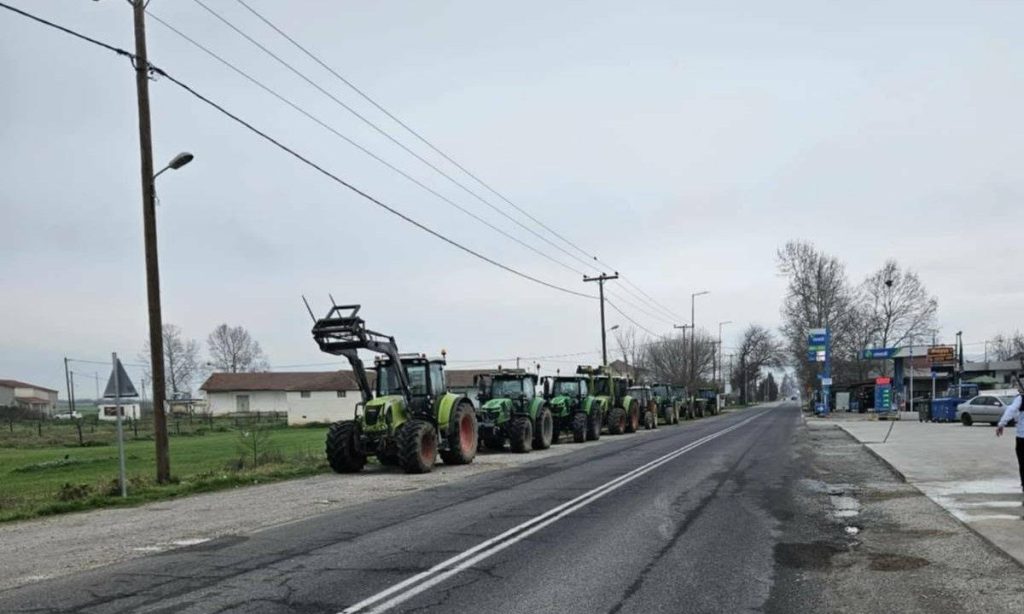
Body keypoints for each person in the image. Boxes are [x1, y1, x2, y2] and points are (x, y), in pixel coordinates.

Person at [995, 379, 1024, 513]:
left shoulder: (1020, 399)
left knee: (1023, 463)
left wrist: (1001, 424)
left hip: (1022, 436)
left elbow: (1011, 410)